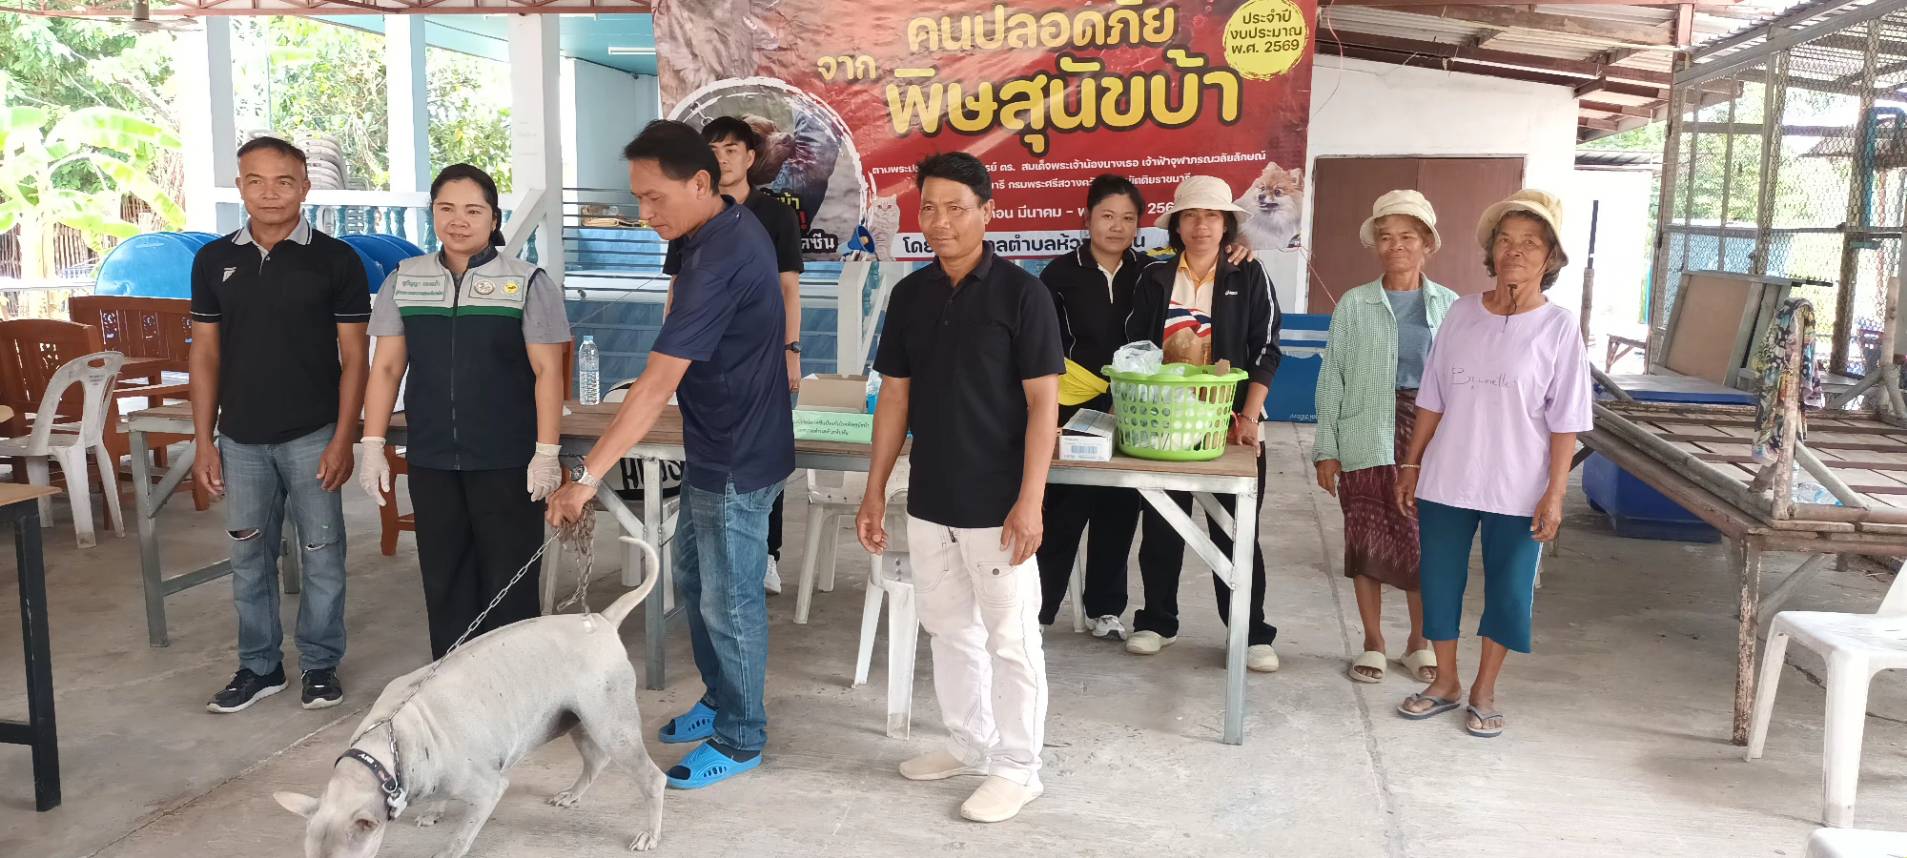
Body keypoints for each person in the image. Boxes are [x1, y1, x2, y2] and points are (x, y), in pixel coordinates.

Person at [547, 120, 793, 790]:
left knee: (729, 601)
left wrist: (585, 478)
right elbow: (674, 338)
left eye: (655, 197)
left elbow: (657, 383)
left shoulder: (723, 256)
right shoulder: (702, 232)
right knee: (694, 574)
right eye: (638, 198)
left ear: (701, 183)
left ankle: (741, 737)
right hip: (712, 438)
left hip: (741, 451)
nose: (645, 212)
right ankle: (720, 697)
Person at [855, 153, 1062, 824]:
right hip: (931, 498)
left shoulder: (1022, 295)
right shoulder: (910, 295)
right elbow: (894, 397)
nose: (940, 222)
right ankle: (970, 743)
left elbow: (1044, 405)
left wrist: (1030, 500)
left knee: (1011, 640)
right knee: (947, 630)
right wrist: (875, 490)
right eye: (929, 208)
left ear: (986, 212)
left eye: (956, 208)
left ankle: (1019, 769)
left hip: (997, 503)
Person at [1394, 189, 1593, 738]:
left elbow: (1566, 419)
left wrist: (1556, 493)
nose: (1515, 251)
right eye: (1505, 240)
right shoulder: (1461, 313)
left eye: (1530, 243)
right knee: (1438, 579)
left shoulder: (1558, 328)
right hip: (1448, 475)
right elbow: (1432, 395)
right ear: (1491, 250)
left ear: (1550, 258)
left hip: (1519, 484)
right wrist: (1411, 465)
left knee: (1509, 587)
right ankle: (1445, 682)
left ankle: (1484, 689)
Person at [356, 164, 572, 662]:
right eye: (446, 209)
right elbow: (386, 368)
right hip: (432, 458)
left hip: (507, 459)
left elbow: (547, 373)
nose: (459, 220)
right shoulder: (404, 280)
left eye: (473, 210)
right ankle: (453, 678)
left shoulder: (527, 282)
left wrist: (546, 452)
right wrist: (372, 445)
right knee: (444, 576)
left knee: (509, 578)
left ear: (493, 219)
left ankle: (513, 682)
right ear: (433, 213)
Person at [191, 136, 369, 713]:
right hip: (239, 438)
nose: (270, 193)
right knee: (248, 558)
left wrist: (343, 438)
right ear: (240, 186)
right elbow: (205, 354)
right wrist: (204, 442)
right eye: (256, 181)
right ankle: (259, 666)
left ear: (304, 188)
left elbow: (356, 357)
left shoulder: (336, 260)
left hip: (313, 434)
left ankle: (319, 663)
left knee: (323, 553)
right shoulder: (213, 260)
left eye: (284, 181)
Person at [1036, 175, 1257, 640]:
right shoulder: (1059, 274)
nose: (1116, 227)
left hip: (1137, 407)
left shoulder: (1149, 270)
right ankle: (1038, 612)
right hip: (1074, 403)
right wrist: (1046, 413)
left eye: (1128, 218)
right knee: (1062, 510)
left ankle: (1105, 609)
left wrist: (1239, 249)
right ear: (1087, 219)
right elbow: (1043, 348)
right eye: (1106, 216)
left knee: (1119, 510)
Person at [1122, 174, 1283, 672]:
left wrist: (1249, 415)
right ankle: (1157, 621)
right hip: (1164, 422)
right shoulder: (1155, 277)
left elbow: (1266, 348)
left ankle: (1249, 632)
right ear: (1177, 225)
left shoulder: (1249, 274)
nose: (1201, 226)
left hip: (1229, 424)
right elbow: (1136, 348)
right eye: (1190, 216)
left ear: (1226, 224)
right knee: (1161, 525)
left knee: (1235, 530)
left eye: (1211, 216)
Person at [1312, 190, 1458, 684]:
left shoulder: (1450, 305)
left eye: (1408, 237)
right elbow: (1333, 377)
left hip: (1426, 434)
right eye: (1386, 237)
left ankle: (1418, 642)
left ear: (1427, 243)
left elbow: (1459, 381)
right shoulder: (1355, 304)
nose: (1396, 246)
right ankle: (1374, 642)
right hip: (1364, 431)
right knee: (1366, 537)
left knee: (1423, 540)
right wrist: (1327, 449)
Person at [663, 115, 805, 595]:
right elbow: (677, 288)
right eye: (714, 150)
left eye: (731, 149)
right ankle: (720, 560)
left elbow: (788, 289)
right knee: (710, 463)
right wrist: (670, 348)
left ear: (750, 157)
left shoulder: (773, 215)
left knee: (758, 463)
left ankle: (766, 554)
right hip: (705, 366)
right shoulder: (689, 214)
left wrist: (790, 350)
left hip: (759, 361)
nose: (722, 158)